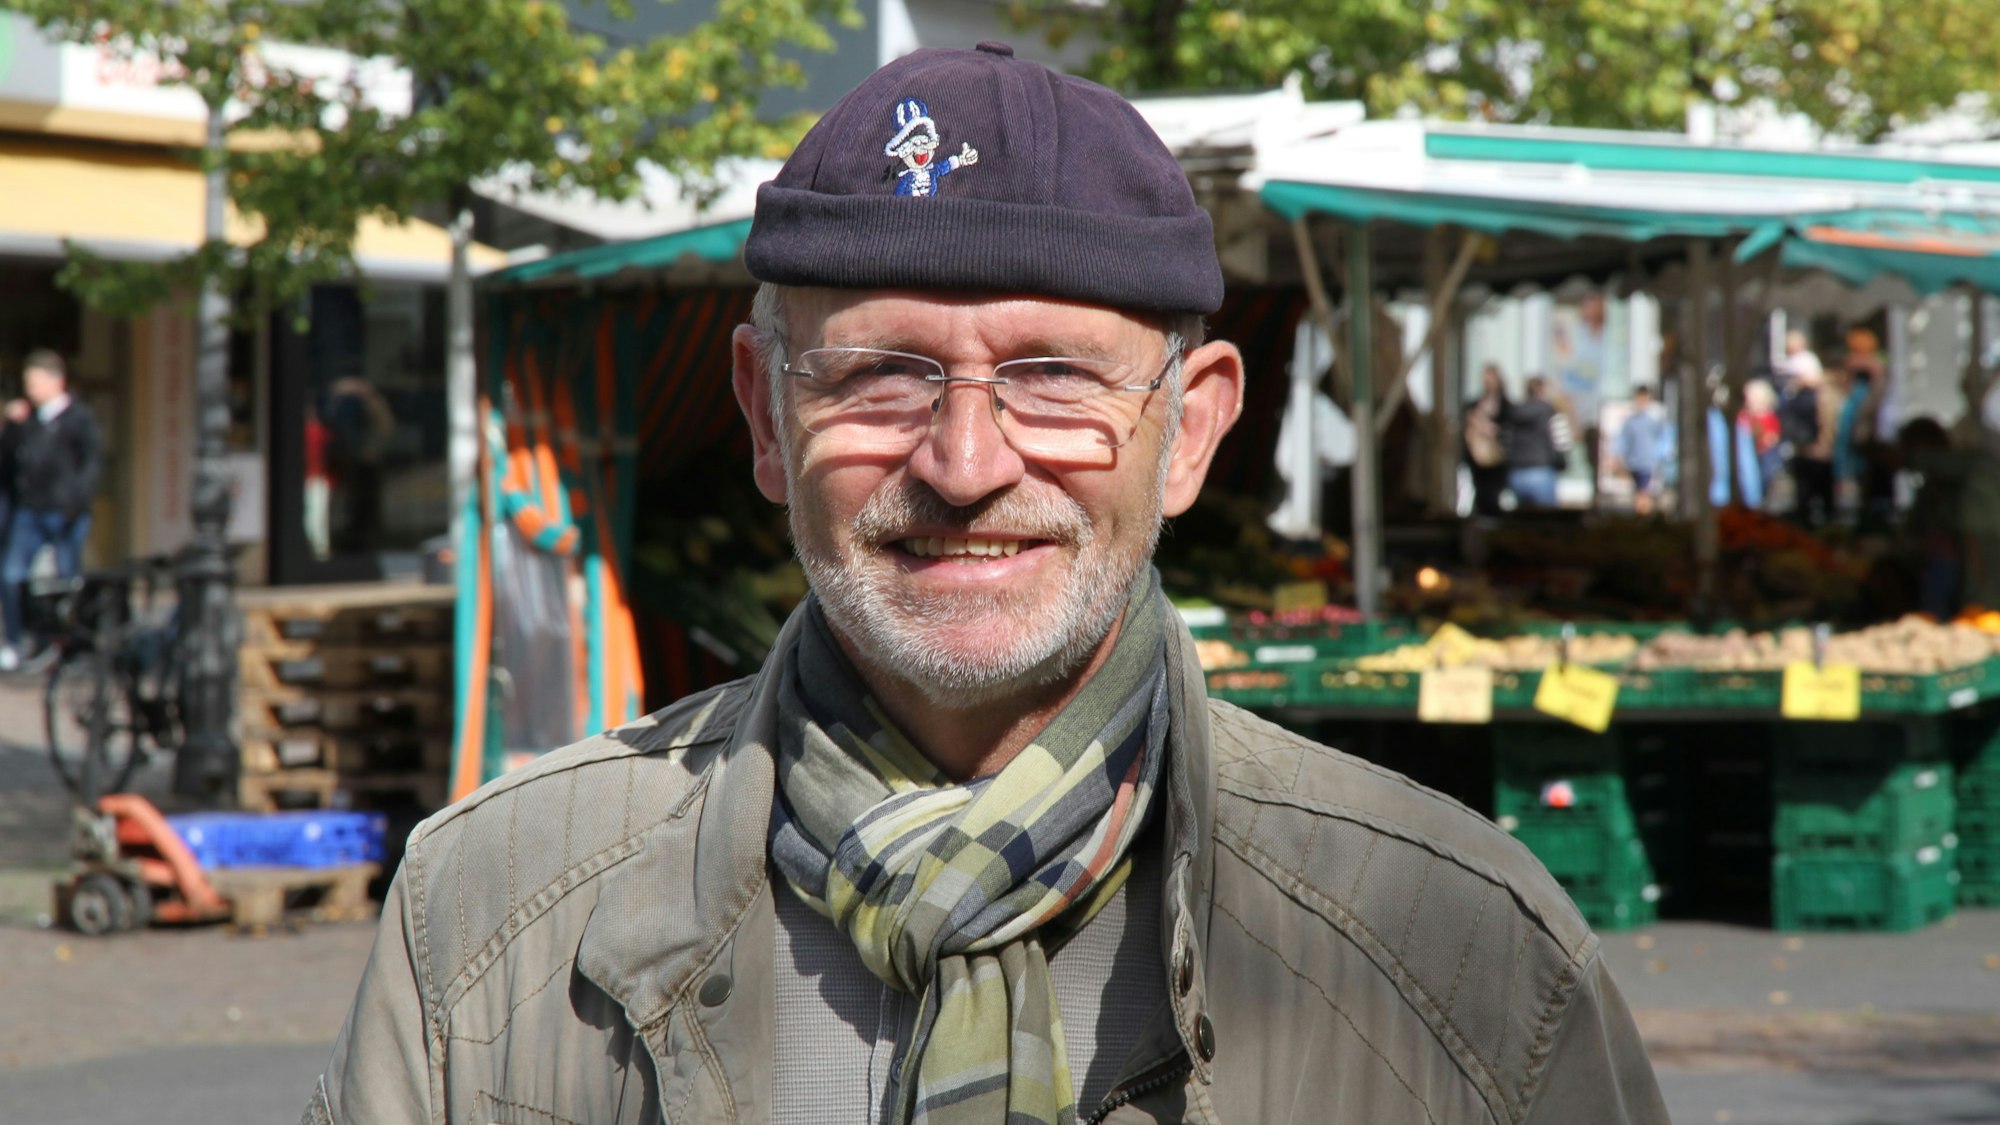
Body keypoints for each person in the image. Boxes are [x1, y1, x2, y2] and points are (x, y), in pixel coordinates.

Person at [308, 44, 1667, 1125]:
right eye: (881, 376)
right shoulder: (484, 925)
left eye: (1054, 378)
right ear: (767, 420)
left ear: (1188, 430)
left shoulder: (1459, 960)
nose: (965, 462)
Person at [0, 350, 102, 672]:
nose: (30, 388)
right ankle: (17, 642)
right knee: (12, 575)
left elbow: (92, 463)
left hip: (65, 512)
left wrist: (77, 502)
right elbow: (8, 461)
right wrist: (11, 426)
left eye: (35, 381)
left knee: (66, 581)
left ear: (56, 380)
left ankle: (68, 645)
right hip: (29, 511)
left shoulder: (79, 418)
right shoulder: (28, 420)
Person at [1505, 374, 1566, 508]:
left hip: (1517, 474)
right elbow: (1561, 441)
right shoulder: (1549, 411)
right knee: (1546, 523)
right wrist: (1562, 463)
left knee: (1523, 523)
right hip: (1542, 471)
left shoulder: (1515, 413)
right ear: (1541, 390)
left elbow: (1506, 441)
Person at [1463, 362, 1511, 514]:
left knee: (1493, 493)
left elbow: (1508, 427)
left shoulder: (1505, 405)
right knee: (1481, 491)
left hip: (1497, 457)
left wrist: (1494, 431)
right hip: (1478, 458)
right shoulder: (1476, 403)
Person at [1615, 383, 1666, 514]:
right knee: (1639, 491)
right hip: (1633, 462)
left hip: (1646, 463)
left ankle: (1643, 515)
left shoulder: (1652, 420)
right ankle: (1642, 515)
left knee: (1643, 492)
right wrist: (1619, 458)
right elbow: (1623, 441)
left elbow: (1662, 437)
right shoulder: (1630, 421)